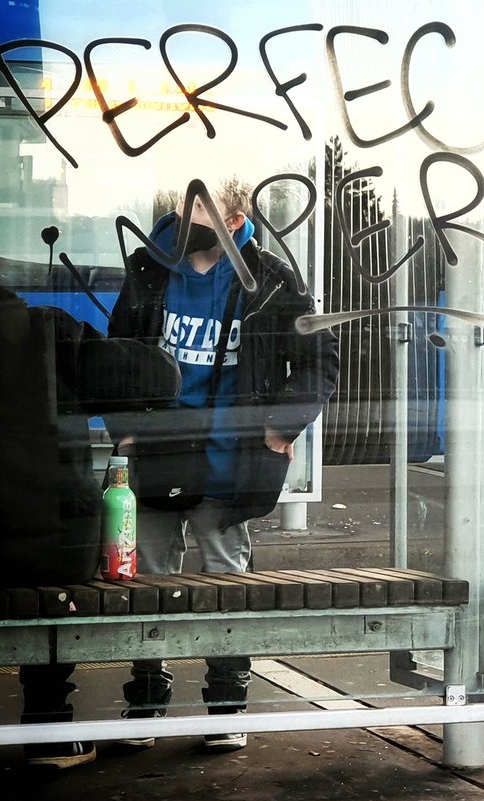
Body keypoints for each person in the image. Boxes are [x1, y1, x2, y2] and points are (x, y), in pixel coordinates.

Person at [0, 223, 181, 771]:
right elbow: (160, 378)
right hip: (55, 551)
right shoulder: (46, 330)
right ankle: (49, 724)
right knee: (58, 558)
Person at [106, 177, 339, 751]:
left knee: (223, 579)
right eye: (184, 206)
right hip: (159, 456)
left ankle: (225, 703)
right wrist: (126, 430)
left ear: (236, 220)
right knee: (151, 577)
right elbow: (113, 356)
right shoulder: (148, 269)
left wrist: (281, 427)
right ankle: (147, 696)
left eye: (203, 209)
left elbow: (321, 360)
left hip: (230, 462)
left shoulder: (272, 283)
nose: (188, 219)